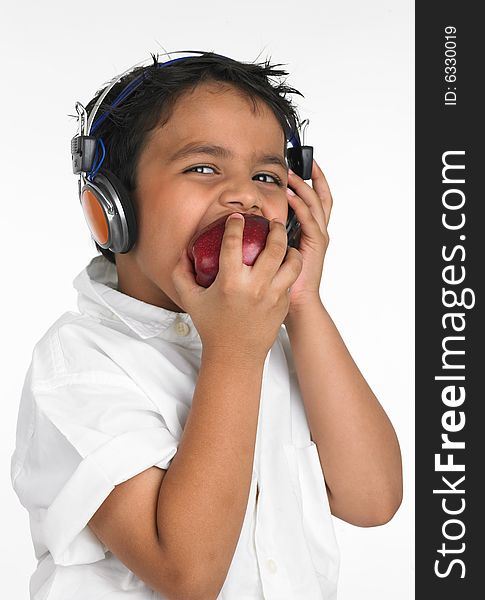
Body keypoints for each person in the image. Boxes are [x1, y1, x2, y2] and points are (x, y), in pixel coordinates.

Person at [10, 50, 403, 600]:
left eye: (266, 175)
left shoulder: (281, 340)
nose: (244, 193)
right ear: (111, 210)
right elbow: (187, 575)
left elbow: (373, 499)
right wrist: (234, 353)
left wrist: (302, 300)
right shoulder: (77, 365)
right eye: (203, 167)